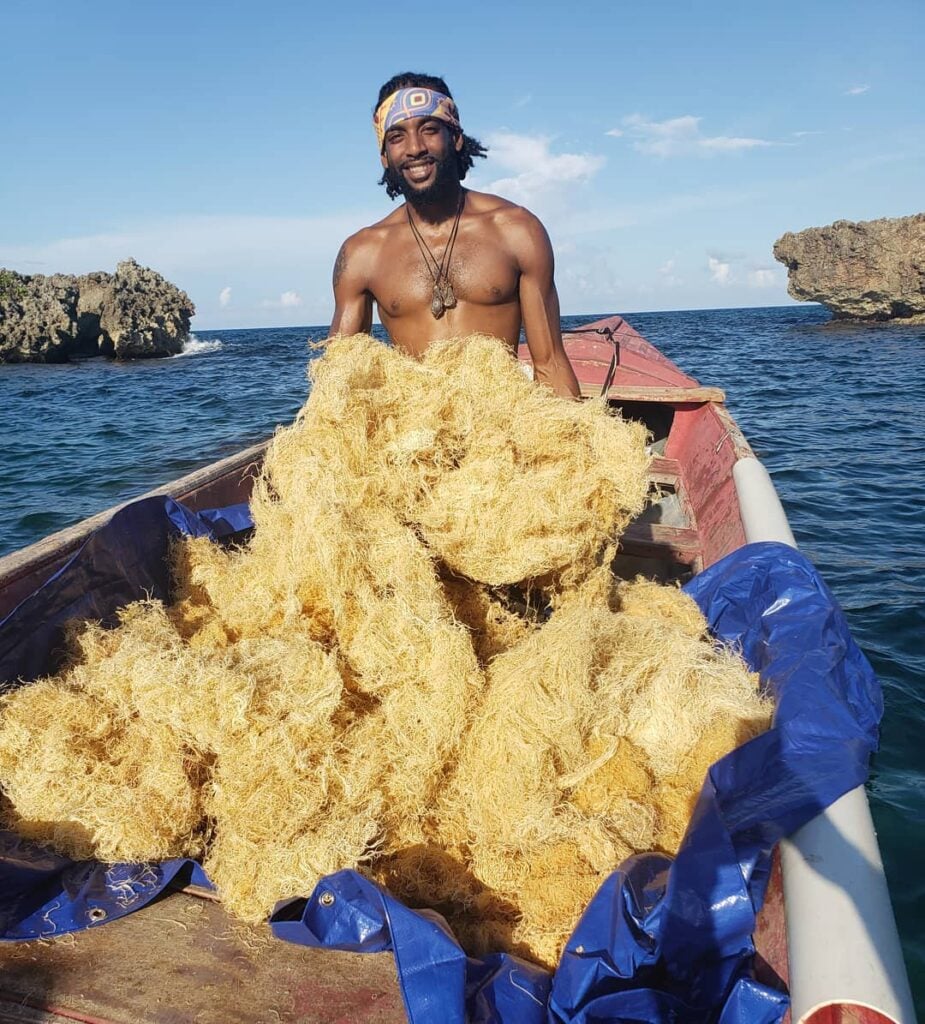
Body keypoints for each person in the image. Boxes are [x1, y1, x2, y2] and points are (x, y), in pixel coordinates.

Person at [329, 72, 581, 399]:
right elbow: (337, 384)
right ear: (384, 156)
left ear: (456, 137)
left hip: (503, 425)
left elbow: (550, 364)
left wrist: (574, 439)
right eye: (397, 137)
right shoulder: (362, 253)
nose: (415, 148)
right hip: (415, 434)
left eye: (430, 130)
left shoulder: (516, 230)